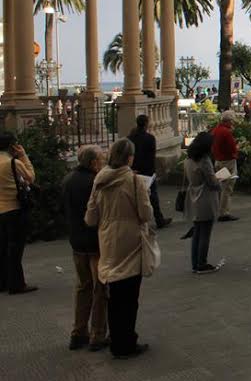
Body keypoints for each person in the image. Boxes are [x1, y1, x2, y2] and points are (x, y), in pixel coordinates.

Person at [84, 138, 152, 359]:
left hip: (108, 242)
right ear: (130, 158)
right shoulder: (134, 181)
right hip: (130, 243)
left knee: (114, 297)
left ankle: (116, 341)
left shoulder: (99, 181)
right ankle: (127, 342)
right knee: (130, 297)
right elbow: (145, 214)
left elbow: (90, 217)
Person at [62, 145, 108, 351]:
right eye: (101, 159)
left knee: (83, 287)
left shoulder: (68, 180)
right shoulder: (94, 182)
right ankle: (97, 334)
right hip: (94, 241)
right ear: (93, 163)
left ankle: (78, 332)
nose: (103, 162)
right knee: (100, 289)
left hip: (77, 241)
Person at [0, 132, 36, 295]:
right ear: (11, 146)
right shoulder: (13, 163)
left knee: (2, 247)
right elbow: (30, 178)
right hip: (14, 209)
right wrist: (23, 156)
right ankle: (17, 284)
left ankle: (3, 282)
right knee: (15, 248)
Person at [183, 132, 222, 274]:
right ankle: (202, 263)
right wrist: (220, 181)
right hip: (205, 197)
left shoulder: (188, 159)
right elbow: (212, 181)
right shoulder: (204, 160)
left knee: (197, 231)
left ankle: (196, 263)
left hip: (193, 195)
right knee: (205, 231)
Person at [127, 115, 171, 229]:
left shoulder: (130, 138)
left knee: (135, 196)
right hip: (147, 170)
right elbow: (152, 156)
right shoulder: (150, 138)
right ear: (146, 123)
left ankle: (137, 220)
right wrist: (153, 171)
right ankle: (159, 219)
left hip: (134, 170)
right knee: (152, 197)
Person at [211, 110, 240, 222]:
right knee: (227, 187)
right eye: (232, 121)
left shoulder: (216, 130)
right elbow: (232, 149)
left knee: (220, 186)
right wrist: (237, 148)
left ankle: (218, 209)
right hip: (228, 161)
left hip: (218, 160)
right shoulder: (226, 132)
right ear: (228, 121)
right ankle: (224, 212)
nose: (233, 123)